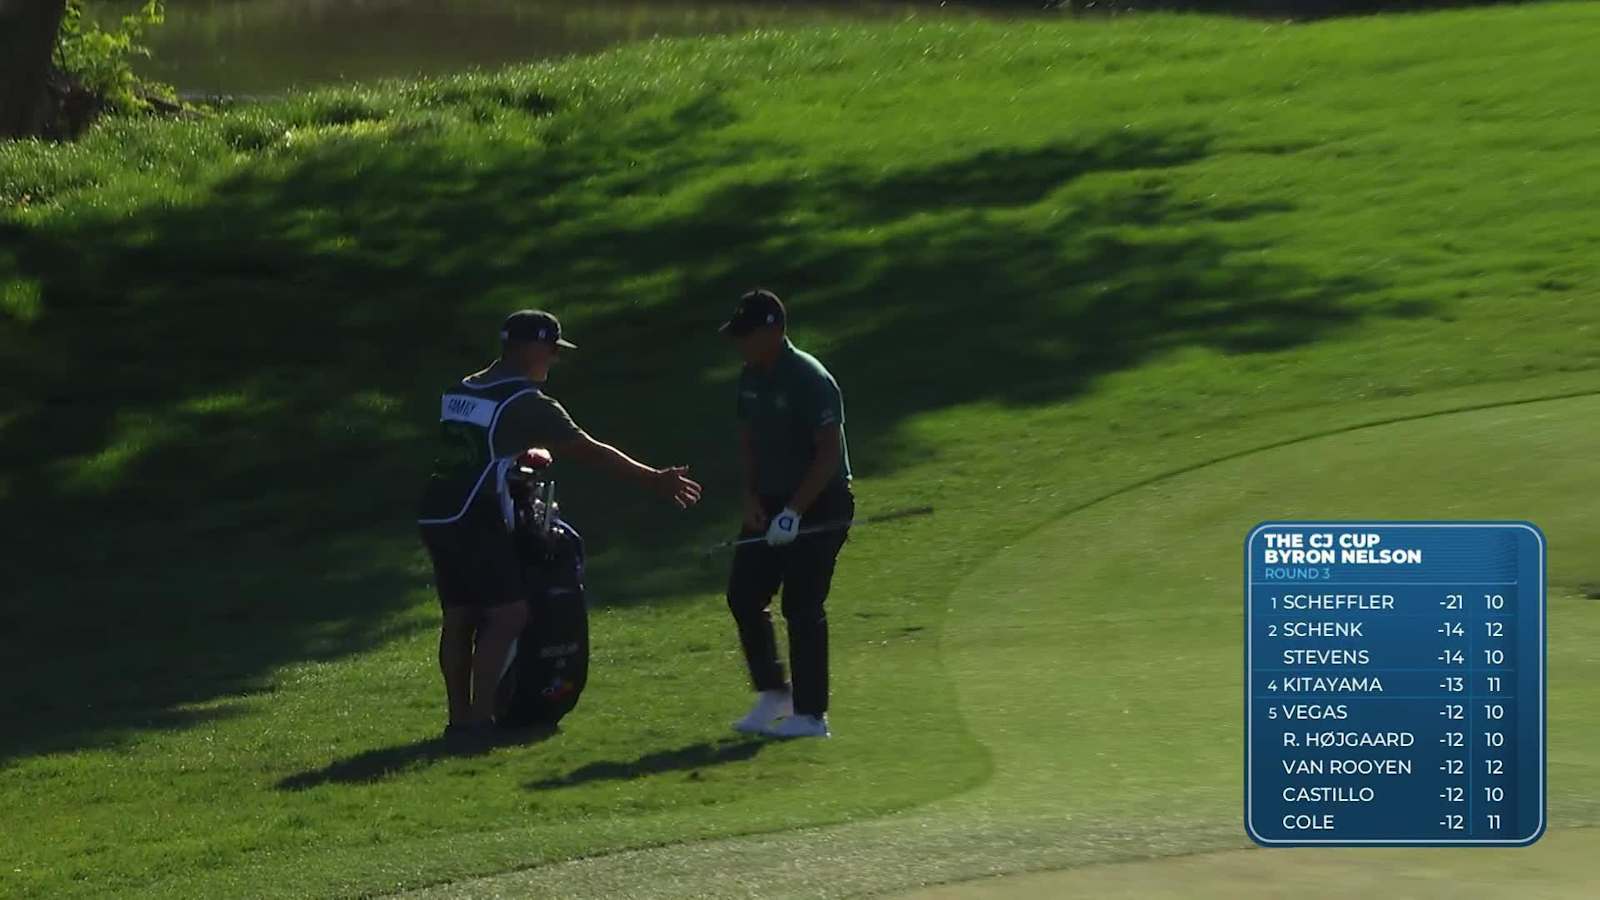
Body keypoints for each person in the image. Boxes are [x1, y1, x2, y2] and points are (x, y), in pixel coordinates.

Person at [418, 309, 702, 739]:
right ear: (530, 347)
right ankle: (478, 722)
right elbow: (588, 450)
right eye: (550, 350)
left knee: (459, 616)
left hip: (438, 513)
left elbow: (484, 447)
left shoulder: (463, 388)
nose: (552, 359)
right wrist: (654, 479)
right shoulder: (525, 402)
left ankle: (459, 718)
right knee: (508, 614)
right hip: (479, 515)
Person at [719, 289, 854, 739]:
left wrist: (795, 512)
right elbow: (746, 441)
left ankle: (812, 715)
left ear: (773, 331)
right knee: (743, 593)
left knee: (802, 604)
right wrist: (751, 498)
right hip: (771, 501)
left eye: (747, 335)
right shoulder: (749, 377)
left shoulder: (809, 377)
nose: (740, 344)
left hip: (822, 500)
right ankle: (775, 692)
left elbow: (828, 453)